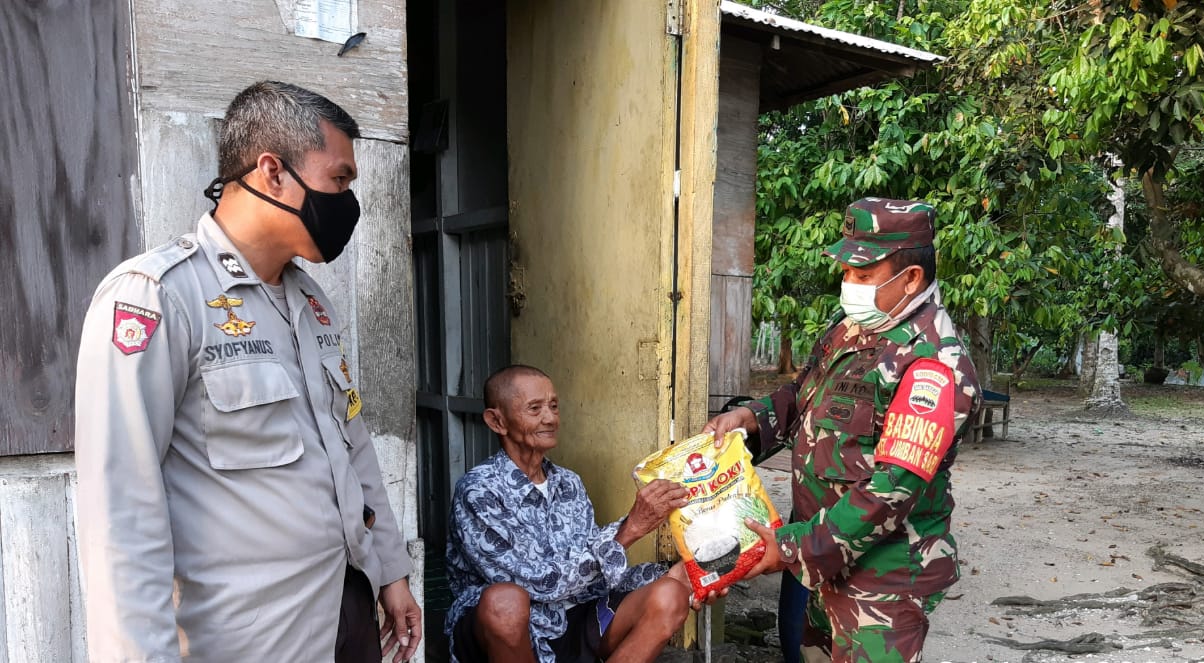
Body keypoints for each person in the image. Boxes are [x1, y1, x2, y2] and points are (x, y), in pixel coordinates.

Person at [75, 81, 421, 663]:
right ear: (272, 171)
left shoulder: (310, 304)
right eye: (339, 180)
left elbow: (353, 445)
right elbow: (121, 515)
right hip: (247, 642)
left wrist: (390, 570)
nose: (348, 202)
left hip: (344, 616)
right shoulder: (158, 298)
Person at [704, 198, 981, 663]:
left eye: (864, 275)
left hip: (881, 577)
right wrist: (751, 417)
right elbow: (803, 396)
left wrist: (789, 547)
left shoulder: (933, 364)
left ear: (910, 278)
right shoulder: (851, 330)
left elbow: (891, 490)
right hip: (820, 555)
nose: (849, 285)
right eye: (847, 273)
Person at [446, 365, 714, 663]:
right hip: (511, 634)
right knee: (504, 602)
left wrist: (670, 574)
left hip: (574, 615)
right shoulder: (478, 491)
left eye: (554, 406)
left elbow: (592, 576)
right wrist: (629, 530)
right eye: (535, 408)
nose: (550, 418)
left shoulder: (569, 483)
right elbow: (536, 585)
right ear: (497, 421)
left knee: (670, 594)